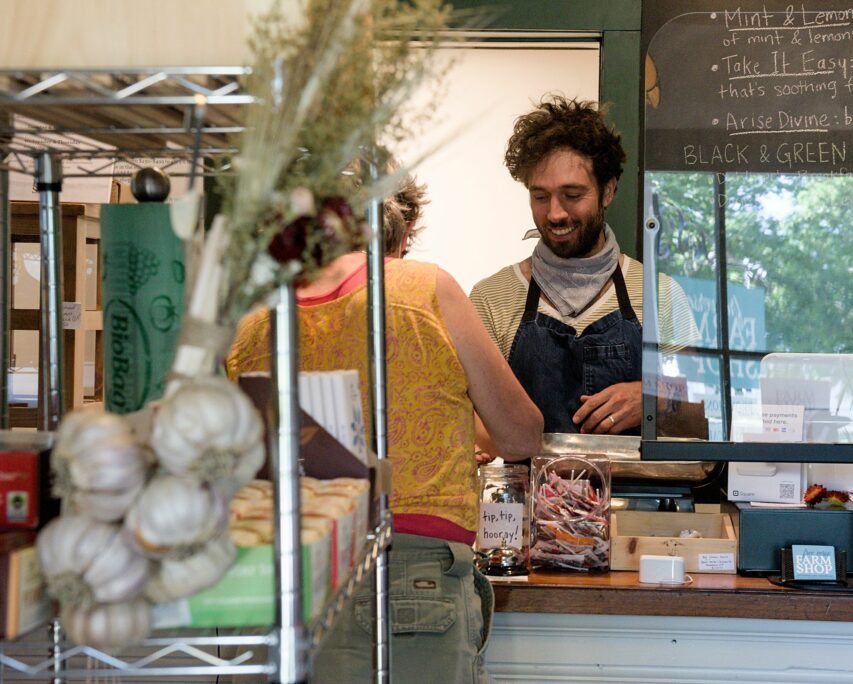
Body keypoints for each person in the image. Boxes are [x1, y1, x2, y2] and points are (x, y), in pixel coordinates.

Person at [225, 174, 543, 683]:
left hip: (287, 577)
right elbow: (521, 435)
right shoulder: (424, 287)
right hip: (412, 569)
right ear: (387, 233)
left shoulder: (256, 319)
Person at [470, 95, 698, 437]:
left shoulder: (660, 295)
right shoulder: (492, 298)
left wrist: (655, 398)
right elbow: (468, 419)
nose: (555, 213)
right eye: (540, 196)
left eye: (572, 195)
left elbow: (705, 414)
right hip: (532, 489)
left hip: (638, 490)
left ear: (608, 191)